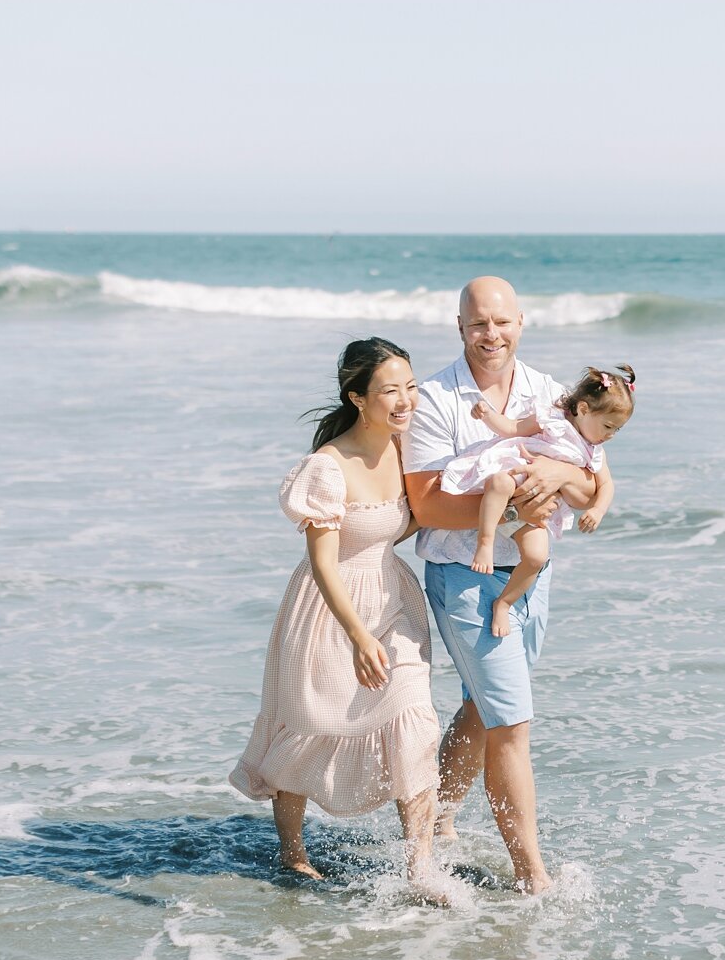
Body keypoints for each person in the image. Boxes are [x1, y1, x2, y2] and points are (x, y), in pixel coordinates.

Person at [230, 337, 454, 904]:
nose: (405, 400)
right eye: (389, 391)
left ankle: (420, 866)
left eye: (410, 385)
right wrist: (356, 634)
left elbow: (412, 520)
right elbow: (322, 561)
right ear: (358, 398)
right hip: (330, 608)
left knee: (415, 718)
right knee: (308, 725)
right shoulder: (327, 469)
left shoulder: (408, 449)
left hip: (393, 598)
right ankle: (292, 853)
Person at [403, 276, 600, 894]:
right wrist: (519, 504)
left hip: (529, 574)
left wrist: (560, 470)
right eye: (477, 324)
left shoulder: (550, 394)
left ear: (521, 322)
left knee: (484, 707)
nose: (491, 335)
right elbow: (428, 506)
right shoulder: (434, 398)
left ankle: (436, 817)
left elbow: (593, 485)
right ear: (460, 328)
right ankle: (532, 874)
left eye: (501, 322)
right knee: (511, 720)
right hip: (463, 574)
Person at [444, 365, 636, 638]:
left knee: (536, 557)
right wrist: (488, 416)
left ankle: (504, 603)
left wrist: (598, 509)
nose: (610, 435)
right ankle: (484, 543)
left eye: (617, 430)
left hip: (534, 512)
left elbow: (606, 485)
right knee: (498, 483)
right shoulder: (552, 418)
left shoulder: (594, 451)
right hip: (513, 483)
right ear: (582, 409)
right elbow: (511, 428)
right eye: (608, 426)